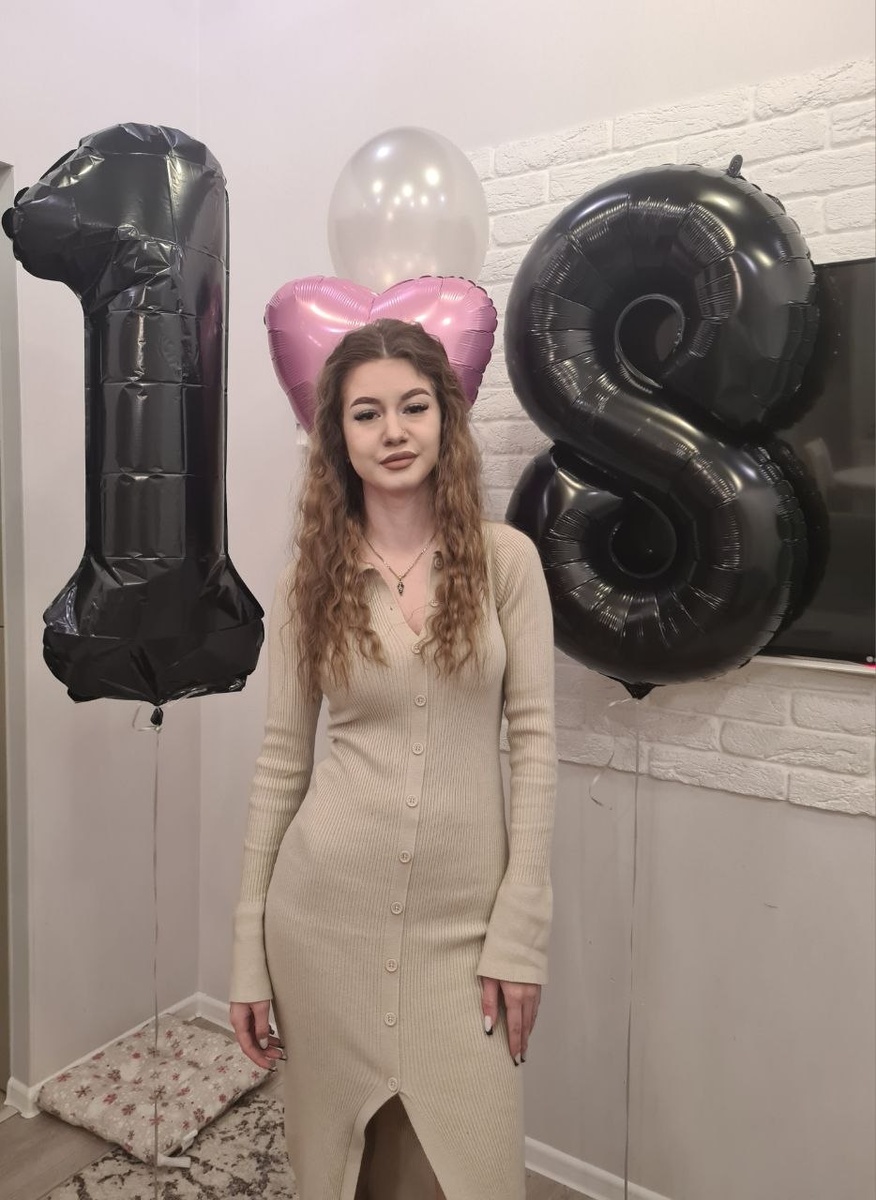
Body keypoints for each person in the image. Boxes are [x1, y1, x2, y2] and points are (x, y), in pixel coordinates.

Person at [229, 318, 556, 1200]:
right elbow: (280, 764)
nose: (394, 431)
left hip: (464, 932)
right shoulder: (308, 582)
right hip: (322, 924)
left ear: (446, 418)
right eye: (366, 413)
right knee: (350, 1174)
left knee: (476, 1172)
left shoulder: (506, 563)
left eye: (414, 407)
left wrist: (521, 931)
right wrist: (247, 950)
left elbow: (534, 744)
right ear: (339, 436)